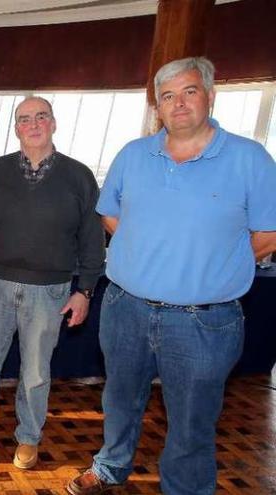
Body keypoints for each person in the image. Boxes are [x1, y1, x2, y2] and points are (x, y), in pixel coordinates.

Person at [68, 57, 276, 495]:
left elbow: (268, 233)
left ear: (210, 96)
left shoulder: (250, 158)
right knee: (120, 400)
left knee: (192, 419)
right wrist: (150, 255)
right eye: (167, 96)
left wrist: (214, 264)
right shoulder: (132, 154)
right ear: (157, 107)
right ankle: (110, 466)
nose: (178, 103)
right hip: (126, 308)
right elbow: (110, 215)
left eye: (189, 92)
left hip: (204, 321)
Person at [0, 96, 105, 469]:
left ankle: (28, 437)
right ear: (16, 128)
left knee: (36, 371)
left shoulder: (79, 176)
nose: (34, 123)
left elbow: (93, 240)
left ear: (54, 123)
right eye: (25, 118)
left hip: (51, 291)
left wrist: (85, 290)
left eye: (41, 116)